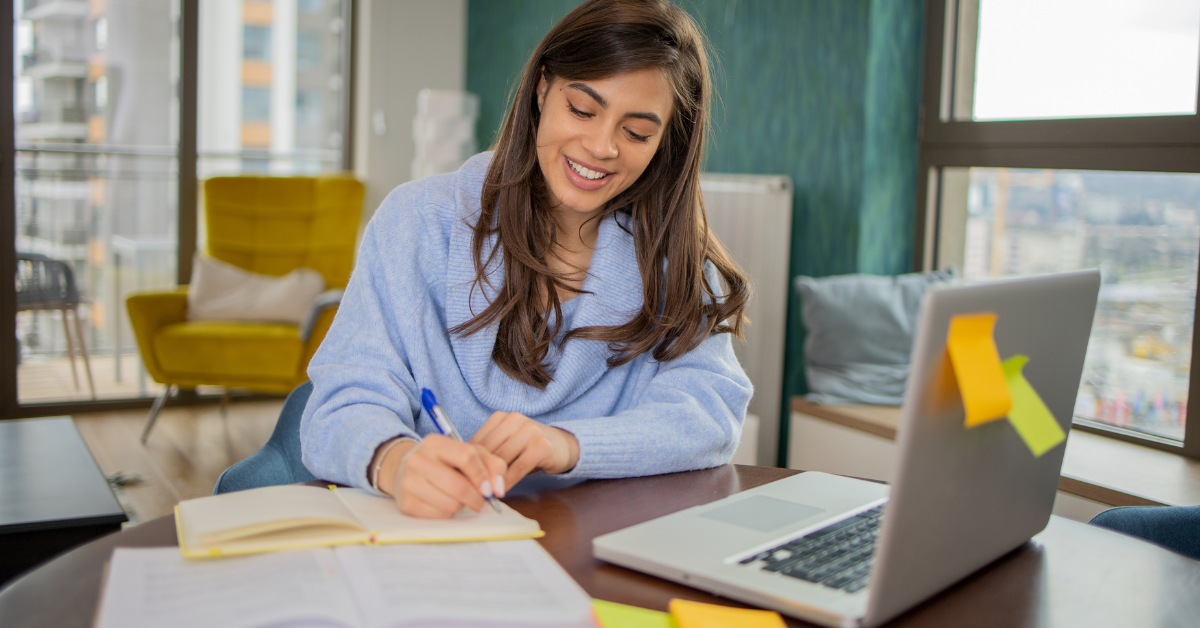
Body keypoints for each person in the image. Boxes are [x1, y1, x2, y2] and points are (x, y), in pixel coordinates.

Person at [300, 0, 753, 519]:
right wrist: (395, 461)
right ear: (542, 88)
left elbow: (710, 413)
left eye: (636, 133)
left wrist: (566, 444)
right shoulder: (417, 223)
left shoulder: (676, 263)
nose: (601, 146)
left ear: (665, 143)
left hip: (588, 548)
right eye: (582, 109)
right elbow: (339, 404)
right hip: (430, 540)